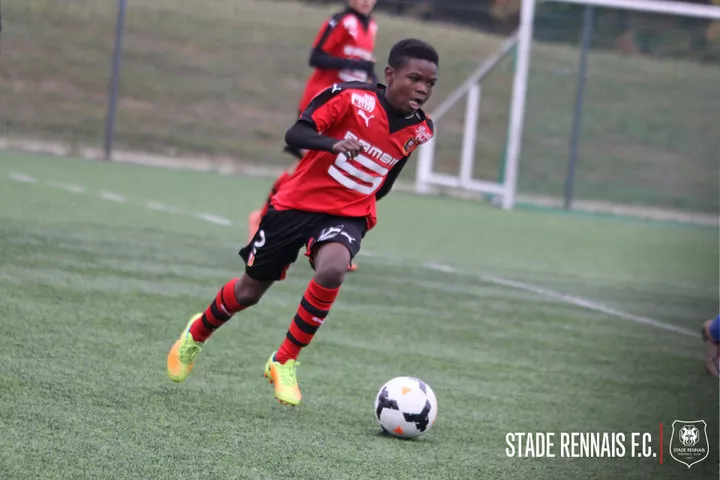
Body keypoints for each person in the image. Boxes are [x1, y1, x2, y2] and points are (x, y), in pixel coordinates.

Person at [168, 38, 439, 407]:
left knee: (333, 269)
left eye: (430, 83)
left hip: (349, 212)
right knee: (249, 292)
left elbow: (390, 174)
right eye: (415, 79)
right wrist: (332, 144)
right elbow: (295, 133)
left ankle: (284, 360)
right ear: (390, 75)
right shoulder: (351, 97)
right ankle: (196, 334)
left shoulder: (421, 129)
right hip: (295, 205)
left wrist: (361, 204)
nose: (422, 89)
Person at [247, 0, 379, 273]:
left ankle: (327, 243)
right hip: (320, 105)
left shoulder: (372, 27)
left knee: (318, 172)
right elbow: (316, 57)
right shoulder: (340, 22)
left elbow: (363, 70)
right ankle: (266, 223)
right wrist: (355, 62)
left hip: (347, 110)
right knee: (311, 171)